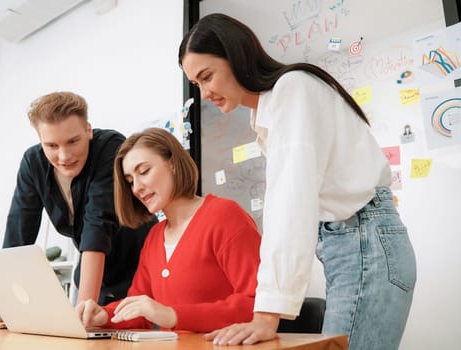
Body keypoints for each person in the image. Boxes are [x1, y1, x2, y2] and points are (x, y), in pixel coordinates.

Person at [178, 13, 417, 349]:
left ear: (236, 55)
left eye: (207, 77)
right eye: (197, 84)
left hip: (365, 240)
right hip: (355, 241)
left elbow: (290, 202)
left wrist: (266, 314)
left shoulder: (292, 89)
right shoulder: (264, 111)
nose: (204, 94)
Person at [0, 92, 153, 322]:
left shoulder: (110, 148)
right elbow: (17, 236)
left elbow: (98, 225)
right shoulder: (32, 163)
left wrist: (83, 310)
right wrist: (8, 308)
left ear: (88, 130)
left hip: (141, 270)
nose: (64, 156)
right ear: (40, 140)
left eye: (73, 141)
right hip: (97, 280)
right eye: (52, 145)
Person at [77, 127, 261, 332]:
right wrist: (105, 315)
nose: (136, 187)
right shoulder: (155, 236)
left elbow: (258, 303)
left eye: (144, 171)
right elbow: (138, 309)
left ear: (173, 164)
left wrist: (171, 315)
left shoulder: (224, 215)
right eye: (130, 181)